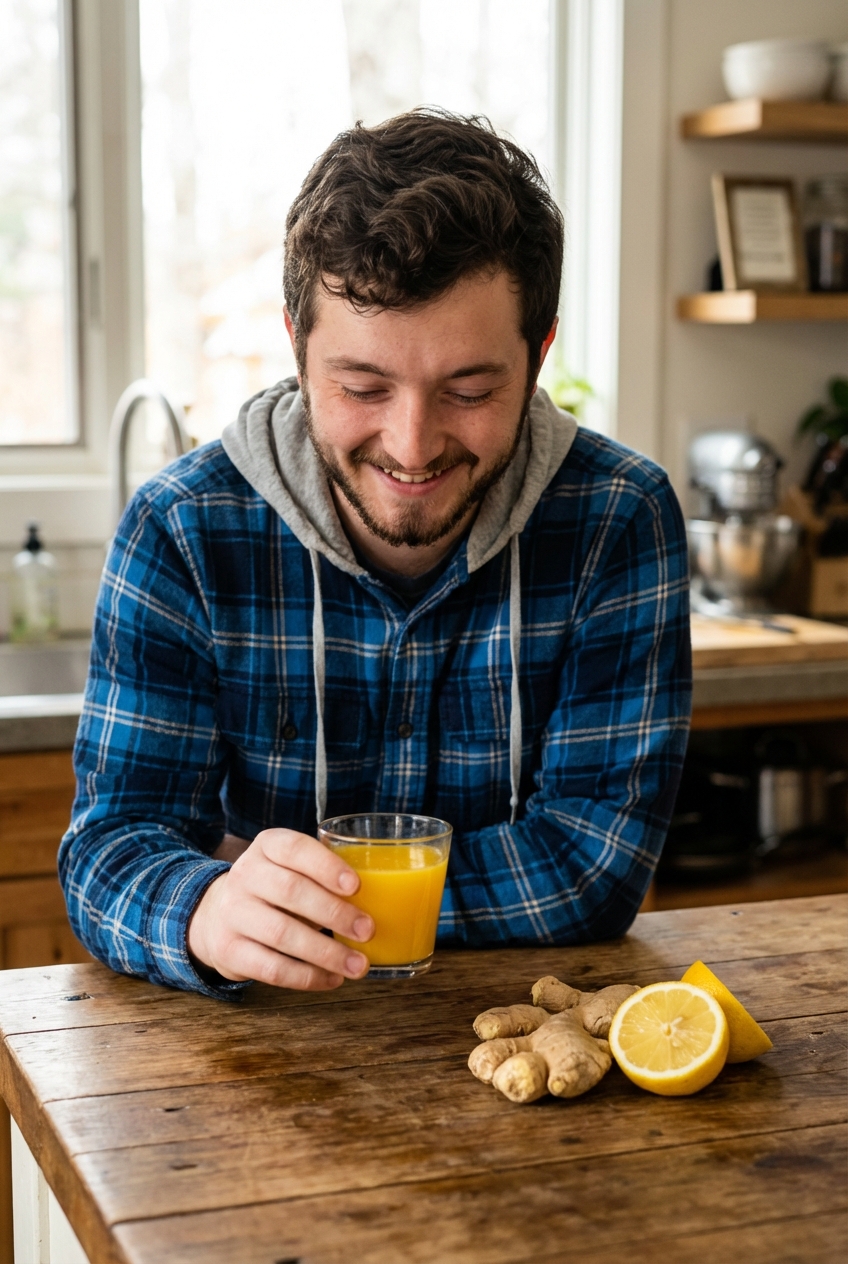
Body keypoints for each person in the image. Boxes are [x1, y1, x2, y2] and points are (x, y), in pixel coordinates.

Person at [60, 109, 691, 999]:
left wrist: (296, 893)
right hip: (255, 1072)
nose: (413, 445)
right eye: (363, 386)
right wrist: (206, 904)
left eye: (470, 389)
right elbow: (110, 849)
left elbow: (591, 869)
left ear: (539, 352)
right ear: (296, 345)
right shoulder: (182, 529)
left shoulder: (620, 520)